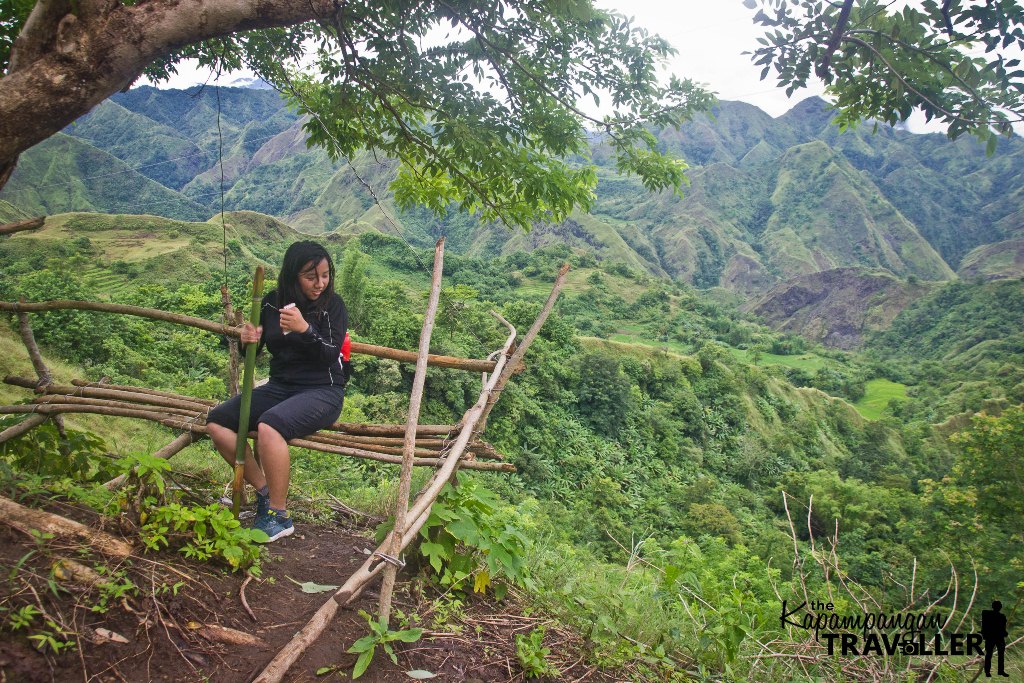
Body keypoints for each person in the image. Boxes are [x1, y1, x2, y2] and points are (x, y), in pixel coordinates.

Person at [206, 241, 347, 542]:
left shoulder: (333, 306)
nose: (320, 283)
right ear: (293, 275)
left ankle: (279, 516)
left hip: (323, 389)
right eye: (312, 277)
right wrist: (248, 340)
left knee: (269, 426)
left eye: (325, 275)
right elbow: (252, 356)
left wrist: (305, 329)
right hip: (281, 386)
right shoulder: (271, 303)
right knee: (217, 421)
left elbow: (331, 353)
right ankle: (265, 492)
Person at [981, 600, 1010, 677]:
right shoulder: (1002, 617)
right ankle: (999, 671)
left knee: (989, 654)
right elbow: (1003, 629)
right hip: (997, 637)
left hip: (992, 637)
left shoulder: (986, 614)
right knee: (999, 655)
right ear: (1000, 607)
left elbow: (984, 625)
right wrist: (1005, 633)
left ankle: (988, 671)